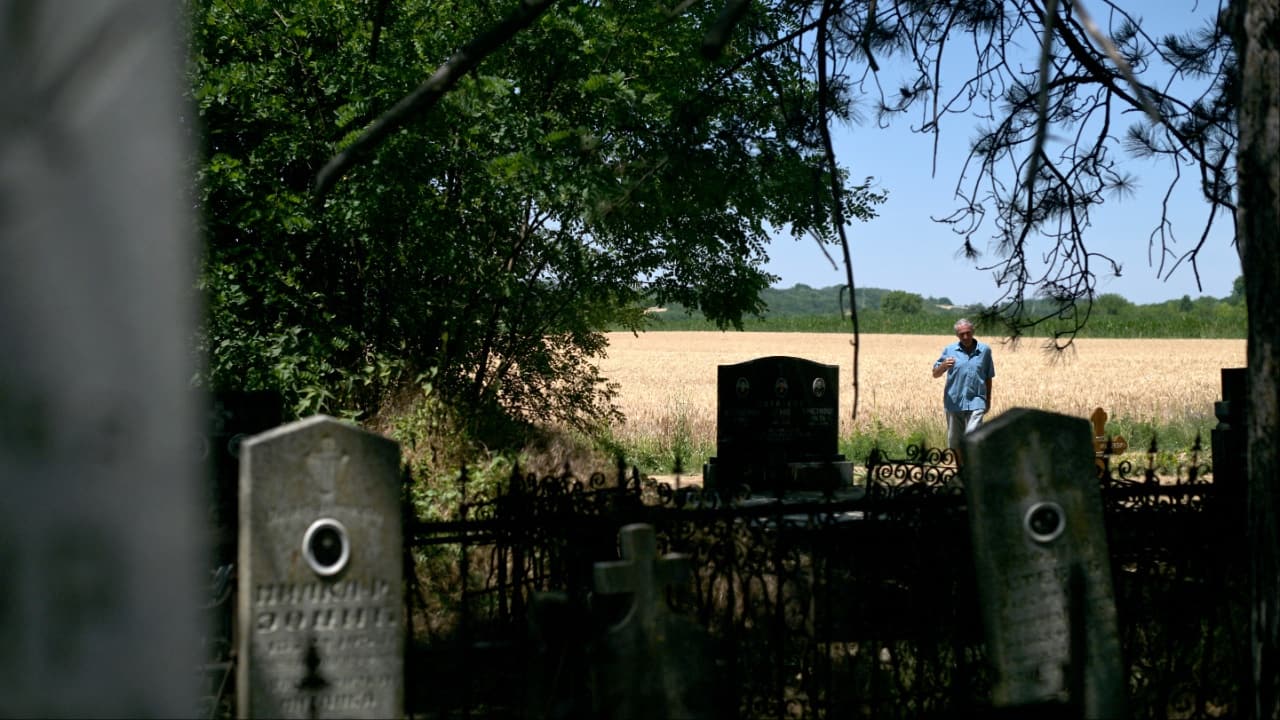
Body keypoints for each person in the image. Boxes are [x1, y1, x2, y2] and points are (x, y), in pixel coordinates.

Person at [932, 318, 995, 463]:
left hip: (977, 400)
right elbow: (935, 374)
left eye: (968, 333)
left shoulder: (984, 350)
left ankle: (972, 469)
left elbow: (988, 376)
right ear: (957, 335)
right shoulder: (950, 350)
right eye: (962, 334)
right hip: (954, 401)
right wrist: (943, 366)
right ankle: (960, 469)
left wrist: (988, 400)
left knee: (973, 436)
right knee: (955, 440)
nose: (965, 337)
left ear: (973, 332)